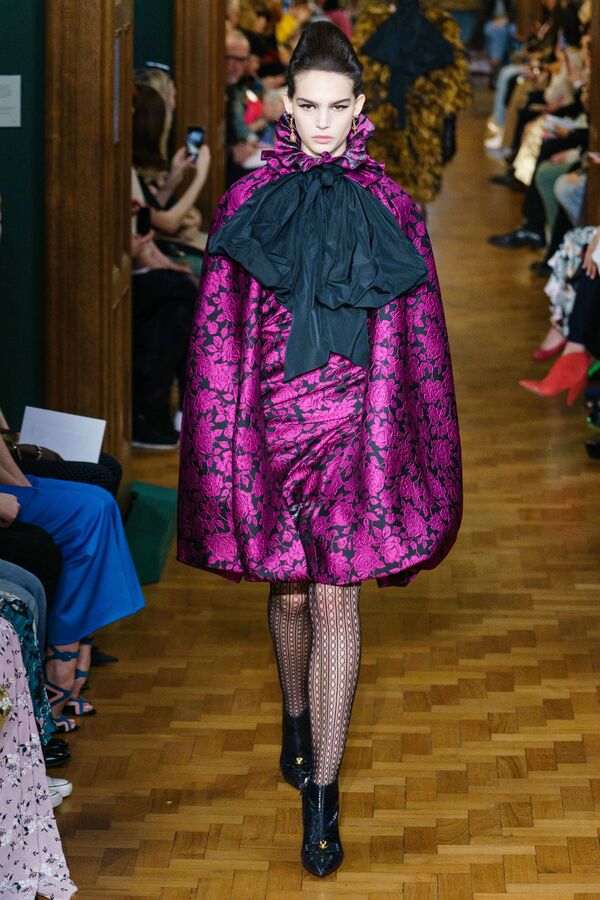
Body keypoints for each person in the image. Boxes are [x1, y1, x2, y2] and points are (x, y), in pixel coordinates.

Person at [178, 22, 462, 877]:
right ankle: (295, 716)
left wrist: (393, 441)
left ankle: (323, 800)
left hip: (353, 433)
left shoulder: (395, 207)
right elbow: (217, 340)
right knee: (292, 596)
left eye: (339, 107)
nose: (325, 123)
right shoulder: (244, 202)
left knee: (337, 598)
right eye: (310, 106)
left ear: (360, 106)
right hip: (271, 428)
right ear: (287, 105)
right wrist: (223, 443)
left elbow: (418, 347)